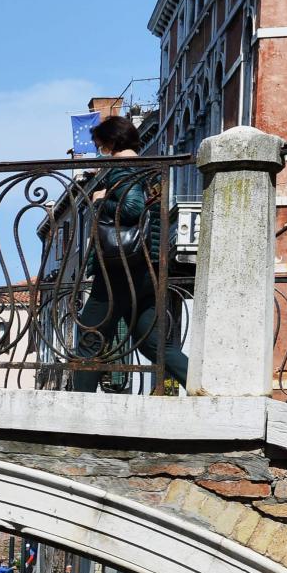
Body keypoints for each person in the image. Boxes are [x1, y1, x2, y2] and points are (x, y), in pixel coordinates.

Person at [68, 113, 190, 393]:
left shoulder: (123, 168)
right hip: (145, 267)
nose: (102, 153)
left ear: (112, 142)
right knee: (153, 344)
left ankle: (76, 408)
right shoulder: (147, 168)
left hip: (119, 269)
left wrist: (101, 200)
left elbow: (132, 207)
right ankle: (203, 385)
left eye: (101, 147)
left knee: (90, 336)